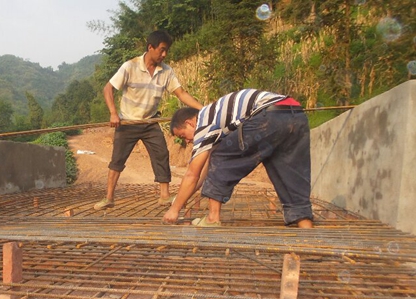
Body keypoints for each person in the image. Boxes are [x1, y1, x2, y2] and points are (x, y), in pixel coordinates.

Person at [162, 89, 314, 228]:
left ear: (189, 123)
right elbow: (204, 173)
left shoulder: (203, 122)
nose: (187, 141)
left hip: (268, 116)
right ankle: (305, 225)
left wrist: (174, 210)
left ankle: (212, 218)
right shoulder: (218, 119)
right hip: (295, 114)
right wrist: (181, 199)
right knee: (290, 174)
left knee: (220, 155)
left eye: (183, 135)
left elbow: (192, 174)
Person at [94, 30, 202, 211]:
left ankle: (164, 196)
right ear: (150, 47)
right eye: (162, 50)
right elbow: (108, 89)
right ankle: (109, 197)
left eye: (166, 50)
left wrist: (203, 109)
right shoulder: (130, 66)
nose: (164, 54)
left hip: (150, 122)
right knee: (117, 160)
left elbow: (181, 93)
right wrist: (113, 113)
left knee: (161, 154)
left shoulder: (166, 71)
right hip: (127, 122)